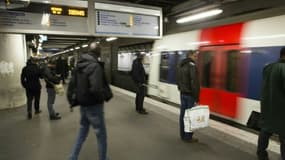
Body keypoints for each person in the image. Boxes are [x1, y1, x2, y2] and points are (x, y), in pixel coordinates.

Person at [69, 42, 110, 160]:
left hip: (83, 105)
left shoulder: (79, 64)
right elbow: (96, 88)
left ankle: (73, 157)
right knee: (101, 135)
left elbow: (73, 84)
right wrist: (102, 98)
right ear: (98, 53)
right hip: (94, 106)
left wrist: (72, 100)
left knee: (82, 133)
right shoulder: (95, 66)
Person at [257, 47, 285, 160]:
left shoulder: (268, 67)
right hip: (282, 109)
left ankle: (261, 154)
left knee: (265, 131)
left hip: (267, 106)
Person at [176, 50, 200, 142]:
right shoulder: (192, 66)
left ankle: (183, 135)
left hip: (183, 94)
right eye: (195, 56)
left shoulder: (181, 65)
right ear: (190, 55)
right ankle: (188, 137)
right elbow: (194, 83)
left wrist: (180, 89)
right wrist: (196, 97)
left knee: (183, 115)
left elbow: (177, 79)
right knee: (190, 116)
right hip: (190, 95)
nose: (196, 58)